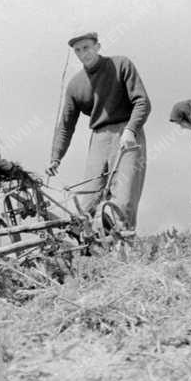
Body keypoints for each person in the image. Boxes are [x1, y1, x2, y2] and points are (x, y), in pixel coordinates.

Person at [46, 32, 151, 234]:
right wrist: (55, 157)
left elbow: (142, 102)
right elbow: (66, 125)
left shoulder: (121, 64)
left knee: (124, 198)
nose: (82, 53)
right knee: (88, 202)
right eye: (77, 50)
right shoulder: (75, 84)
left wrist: (130, 130)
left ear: (98, 46)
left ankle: (124, 252)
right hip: (98, 139)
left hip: (128, 133)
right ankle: (90, 254)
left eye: (86, 47)